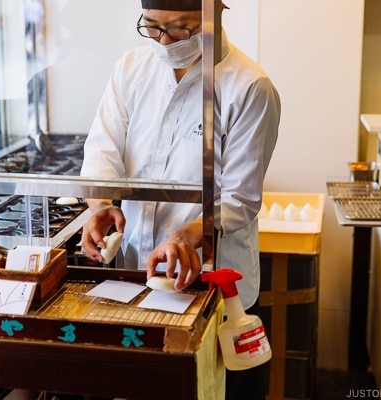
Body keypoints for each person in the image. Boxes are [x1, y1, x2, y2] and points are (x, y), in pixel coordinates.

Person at [79, 1, 280, 399]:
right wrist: (101, 205)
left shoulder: (249, 87)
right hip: (137, 270)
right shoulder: (131, 69)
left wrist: (188, 236)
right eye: (152, 27)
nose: (164, 40)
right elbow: (102, 153)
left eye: (181, 28)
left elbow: (239, 198)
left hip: (214, 280)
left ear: (217, 12)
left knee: (207, 388)